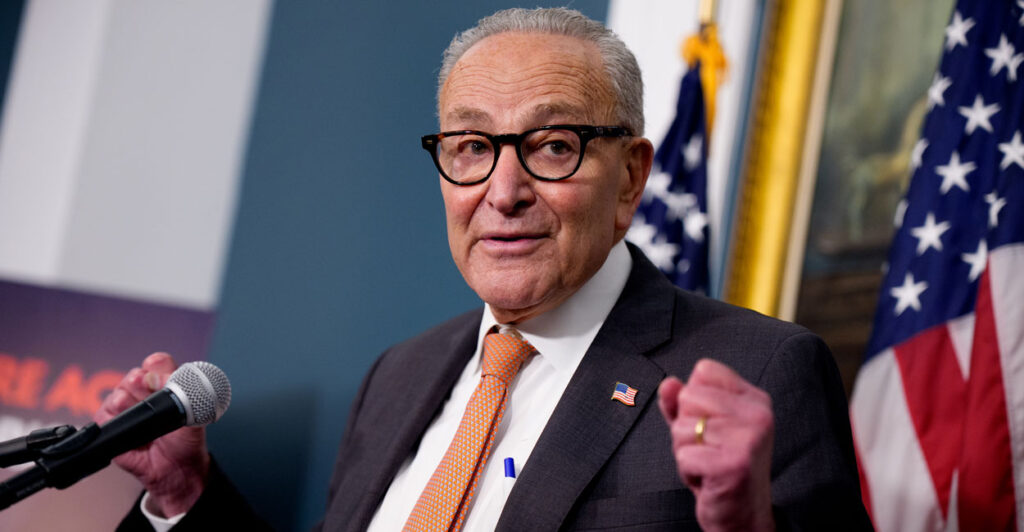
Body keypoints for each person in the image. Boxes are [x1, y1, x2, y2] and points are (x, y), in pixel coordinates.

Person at [98, 7, 871, 531]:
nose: (503, 193)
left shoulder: (761, 367)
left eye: (553, 146)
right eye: (471, 147)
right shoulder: (399, 376)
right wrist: (186, 492)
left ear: (631, 177)